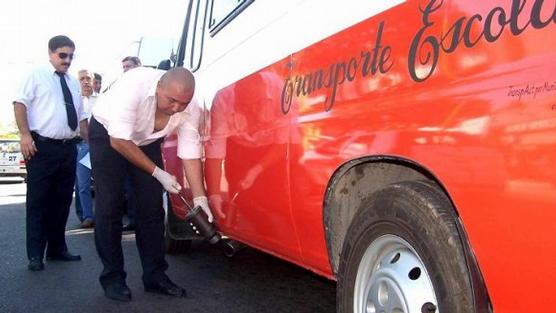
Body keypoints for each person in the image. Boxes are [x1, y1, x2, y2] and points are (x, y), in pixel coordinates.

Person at [89, 66, 213, 302]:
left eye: (183, 103)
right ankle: (113, 278)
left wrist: (200, 198)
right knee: (109, 205)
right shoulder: (133, 86)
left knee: (152, 209)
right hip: (109, 137)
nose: (177, 108)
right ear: (158, 88)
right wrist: (159, 173)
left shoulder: (190, 107)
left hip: (146, 141)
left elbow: (190, 150)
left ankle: (155, 276)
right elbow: (119, 140)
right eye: (172, 100)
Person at [13, 35, 87, 271]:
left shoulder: (73, 83)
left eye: (70, 56)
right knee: (38, 202)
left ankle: (57, 249)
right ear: (50, 53)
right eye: (62, 55)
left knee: (62, 201)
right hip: (41, 148)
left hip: (68, 149)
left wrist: (91, 141)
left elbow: (81, 117)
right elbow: (19, 104)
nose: (67, 60)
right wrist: (25, 135)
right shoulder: (35, 75)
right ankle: (35, 255)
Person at [120, 56, 142, 231]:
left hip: (144, 144)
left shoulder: (147, 85)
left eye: (129, 66)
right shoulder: (121, 88)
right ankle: (133, 218)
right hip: (124, 144)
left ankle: (141, 219)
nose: (126, 69)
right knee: (128, 185)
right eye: (124, 67)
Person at [75, 69, 97, 228]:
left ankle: (104, 216)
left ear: (93, 80)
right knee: (82, 184)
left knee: (103, 183)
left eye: (88, 78)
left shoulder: (103, 100)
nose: (85, 81)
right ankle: (87, 216)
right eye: (81, 79)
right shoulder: (75, 100)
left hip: (100, 145)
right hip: (81, 145)